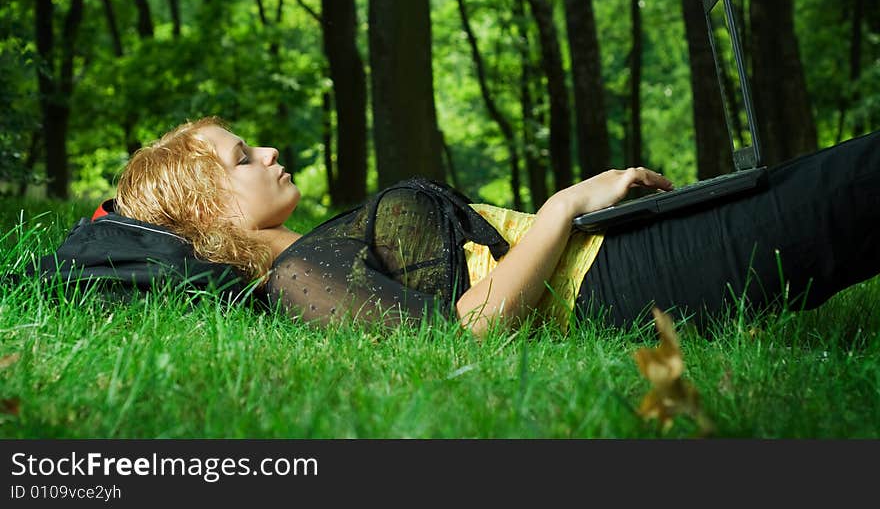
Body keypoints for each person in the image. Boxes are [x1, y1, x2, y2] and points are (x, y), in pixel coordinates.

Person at [113, 116, 880, 338]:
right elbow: (465, 334)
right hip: (617, 287)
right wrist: (561, 208)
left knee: (838, 178)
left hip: (616, 250)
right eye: (244, 156)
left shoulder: (315, 252)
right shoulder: (298, 279)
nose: (270, 151)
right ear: (207, 205)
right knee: (852, 188)